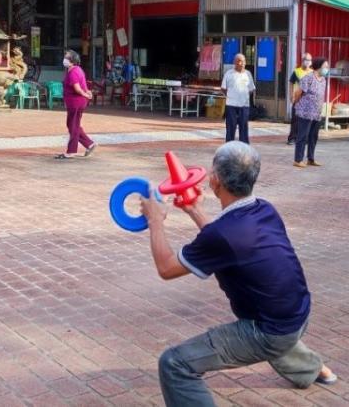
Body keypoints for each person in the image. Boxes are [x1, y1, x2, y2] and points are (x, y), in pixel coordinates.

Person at [140, 141, 337, 406]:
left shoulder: (223, 234)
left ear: (216, 180)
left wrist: (155, 221)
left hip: (271, 331)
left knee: (175, 363)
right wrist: (194, 209)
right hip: (298, 314)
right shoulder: (265, 209)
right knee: (273, 325)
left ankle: (294, 356)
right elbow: (226, 239)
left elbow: (166, 267)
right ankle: (313, 370)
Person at [57, 50, 96, 160]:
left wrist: (85, 94)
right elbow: (83, 84)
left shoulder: (73, 72)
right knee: (74, 125)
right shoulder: (78, 70)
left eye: (67, 57)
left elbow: (78, 88)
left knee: (73, 126)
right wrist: (87, 92)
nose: (64, 59)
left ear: (72, 60)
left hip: (76, 102)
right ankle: (89, 144)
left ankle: (71, 151)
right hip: (77, 102)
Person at [292, 57, 329, 167]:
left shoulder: (323, 80)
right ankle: (298, 160)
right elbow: (298, 93)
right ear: (318, 67)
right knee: (303, 136)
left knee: (313, 137)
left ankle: (310, 158)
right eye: (325, 67)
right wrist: (297, 104)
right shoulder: (308, 78)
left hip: (316, 113)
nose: (327, 69)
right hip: (305, 112)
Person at [222, 53, 255, 144]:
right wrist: (232, 96)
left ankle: (244, 146)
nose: (242, 63)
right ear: (235, 62)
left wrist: (243, 96)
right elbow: (223, 88)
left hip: (244, 105)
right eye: (239, 61)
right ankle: (229, 146)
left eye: (243, 61)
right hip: (231, 105)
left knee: (244, 127)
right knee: (231, 127)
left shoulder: (248, 74)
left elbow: (251, 89)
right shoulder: (229, 74)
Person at [287, 53, 312, 145]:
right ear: (302, 60)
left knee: (306, 120)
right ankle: (292, 138)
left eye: (310, 60)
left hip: (308, 101)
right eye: (306, 60)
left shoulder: (312, 72)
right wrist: (291, 95)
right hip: (298, 99)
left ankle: (304, 139)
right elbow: (291, 82)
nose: (308, 62)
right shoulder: (297, 71)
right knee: (295, 119)